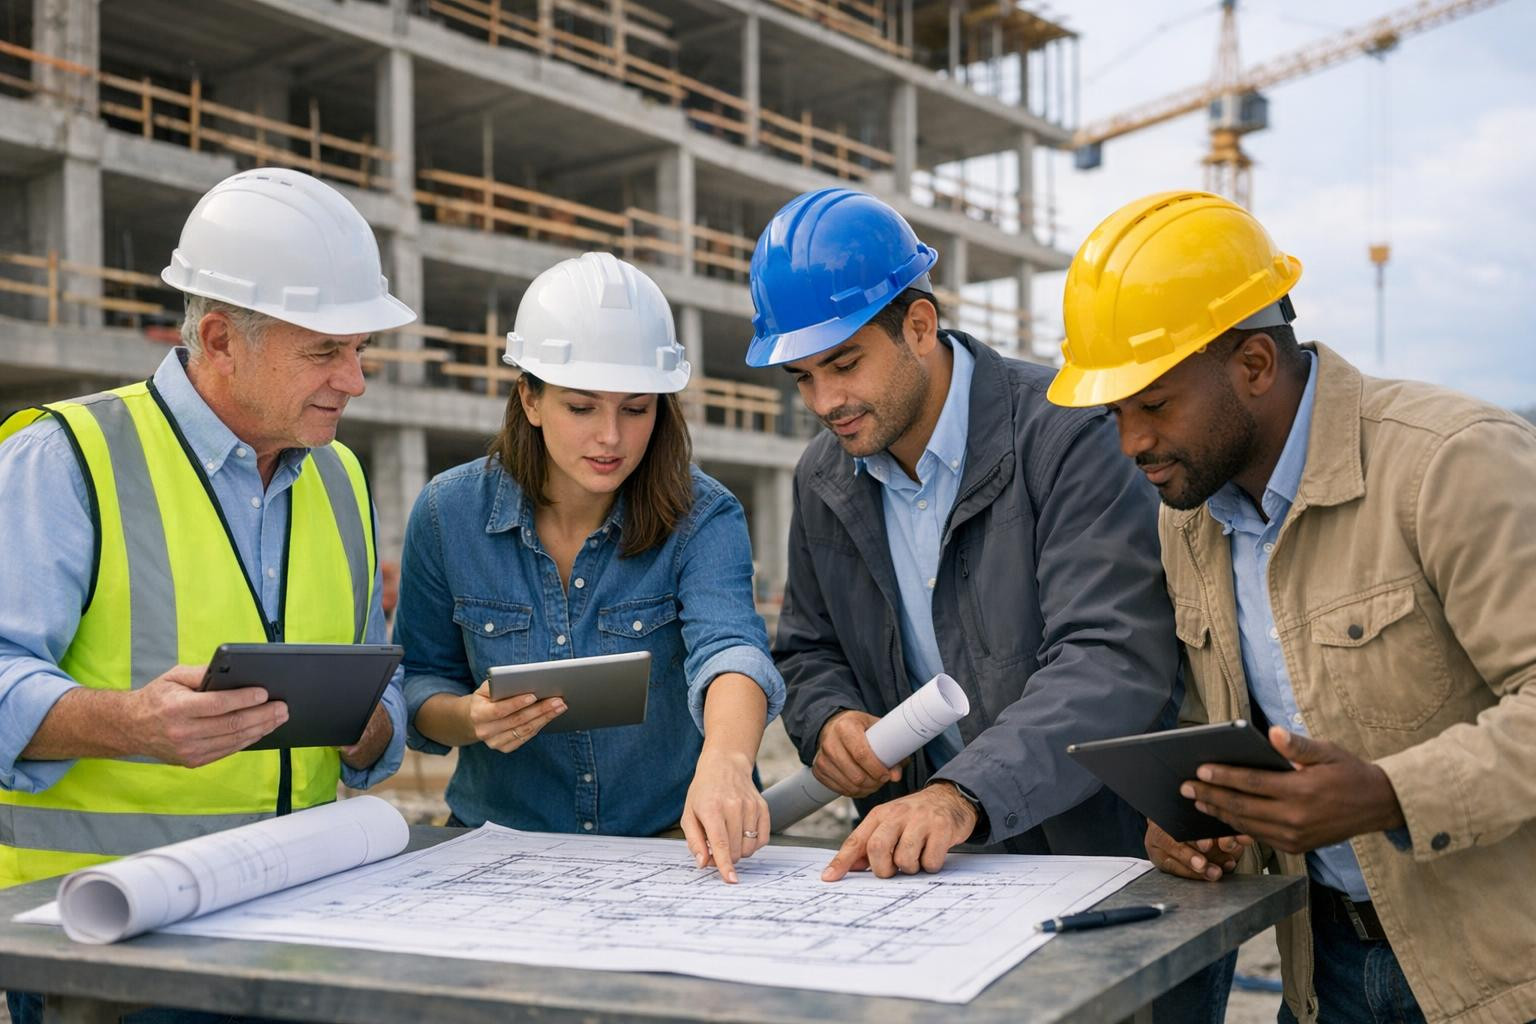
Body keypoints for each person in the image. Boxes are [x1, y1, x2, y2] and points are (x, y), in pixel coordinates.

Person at [1048, 189, 1536, 1024]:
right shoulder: (1191, 525)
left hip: (1502, 977)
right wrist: (1194, 820)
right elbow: (1224, 728)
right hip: (1323, 973)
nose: (1131, 443)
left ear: (1253, 366)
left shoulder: (1450, 464)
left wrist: (1389, 795)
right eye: (1115, 413)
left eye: (1154, 404)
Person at [0, 167, 415, 1021]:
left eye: (360, 350)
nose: (355, 381)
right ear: (221, 338)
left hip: (298, 930)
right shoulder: (67, 458)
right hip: (106, 951)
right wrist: (127, 723)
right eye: (324, 352)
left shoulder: (340, 479)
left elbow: (382, 695)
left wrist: (373, 722)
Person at [395, 252, 785, 884]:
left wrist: (727, 760)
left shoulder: (703, 515)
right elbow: (419, 681)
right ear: (530, 397)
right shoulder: (447, 514)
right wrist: (472, 718)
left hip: (672, 853)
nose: (611, 437)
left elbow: (731, 650)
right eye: (582, 407)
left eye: (636, 409)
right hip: (498, 855)